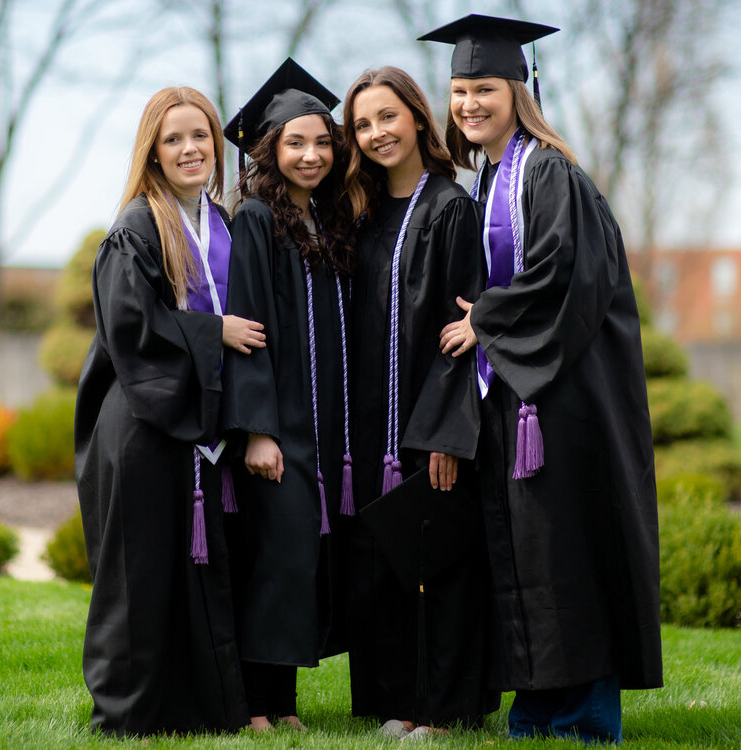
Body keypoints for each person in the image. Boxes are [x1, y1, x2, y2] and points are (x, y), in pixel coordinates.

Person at [423, 14, 664, 744]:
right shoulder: (495, 174)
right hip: (520, 397)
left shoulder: (551, 171)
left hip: (564, 403)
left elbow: (566, 274)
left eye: (485, 89)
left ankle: (585, 716)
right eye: (461, 91)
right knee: (529, 556)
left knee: (569, 551)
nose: (470, 104)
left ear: (519, 92)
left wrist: (485, 320)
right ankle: (535, 707)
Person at [74, 86, 267, 737]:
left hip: (194, 427)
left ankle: (198, 711)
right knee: (141, 579)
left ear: (217, 141)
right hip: (142, 425)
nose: (191, 149)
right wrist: (215, 334)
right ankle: (124, 715)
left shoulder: (220, 223)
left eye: (200, 135)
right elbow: (132, 327)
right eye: (174, 138)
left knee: (195, 571)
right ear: (152, 152)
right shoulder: (136, 225)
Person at [340, 65, 497, 739]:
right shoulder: (363, 214)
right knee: (390, 561)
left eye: (387, 117)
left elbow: (463, 332)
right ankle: (396, 700)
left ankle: (445, 709)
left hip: (428, 419)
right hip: (371, 422)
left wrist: (446, 432)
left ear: (417, 117)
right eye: (363, 124)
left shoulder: (449, 207)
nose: (377, 133)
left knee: (441, 564)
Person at [220, 58, 357, 733]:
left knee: (299, 559)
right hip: (280, 426)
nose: (311, 154)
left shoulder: (324, 223)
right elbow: (244, 329)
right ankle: (254, 705)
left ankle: (284, 702)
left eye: (321, 141)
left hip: (324, 426)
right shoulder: (253, 220)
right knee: (271, 561)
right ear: (268, 150)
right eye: (294, 143)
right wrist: (257, 429)